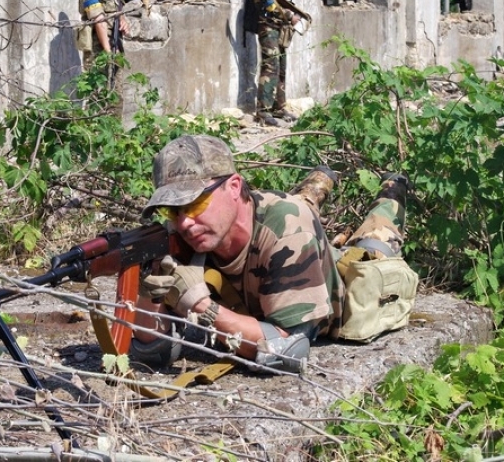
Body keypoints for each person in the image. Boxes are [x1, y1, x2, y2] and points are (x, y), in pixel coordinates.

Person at [131, 134, 408, 373]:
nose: (184, 223)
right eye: (172, 210)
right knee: (302, 205)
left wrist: (201, 306)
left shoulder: (288, 230)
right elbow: (151, 353)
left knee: (376, 240)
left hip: (336, 280)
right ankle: (319, 182)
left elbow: (289, 349)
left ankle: (393, 188)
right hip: (284, 243)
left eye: (195, 204)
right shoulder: (183, 233)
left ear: (234, 186)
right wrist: (151, 291)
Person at [248, 0, 308, 127]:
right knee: (270, 67)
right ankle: (263, 111)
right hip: (268, 29)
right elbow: (269, 4)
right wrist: (290, 15)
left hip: (279, 30)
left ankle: (278, 107)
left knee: (281, 68)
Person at [76, 0, 129, 105]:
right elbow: (98, 18)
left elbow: (115, 8)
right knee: (99, 96)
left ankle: (114, 131)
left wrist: (123, 19)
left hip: (114, 43)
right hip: (99, 48)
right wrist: (107, 52)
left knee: (116, 95)